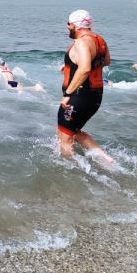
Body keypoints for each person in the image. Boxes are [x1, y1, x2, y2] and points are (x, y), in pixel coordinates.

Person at [57, 10, 114, 162]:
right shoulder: (99, 39)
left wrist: (68, 94)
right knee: (74, 130)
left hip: (78, 96)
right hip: (94, 96)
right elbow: (105, 61)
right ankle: (105, 159)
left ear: (75, 25)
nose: (67, 27)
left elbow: (85, 69)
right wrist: (71, 66)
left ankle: (68, 170)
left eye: (69, 24)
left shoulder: (81, 42)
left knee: (64, 135)